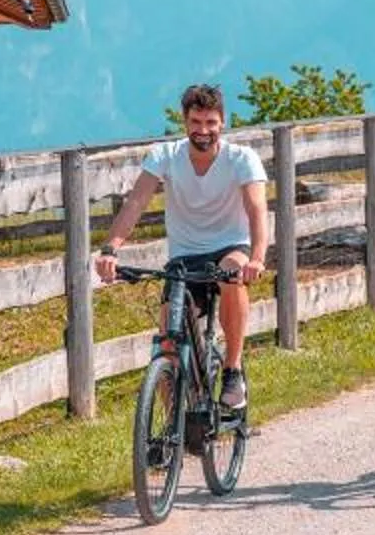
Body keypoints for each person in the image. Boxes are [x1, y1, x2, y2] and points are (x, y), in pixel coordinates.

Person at [94, 81, 271, 413]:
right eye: (195, 122)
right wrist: (110, 249)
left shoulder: (241, 158)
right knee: (167, 344)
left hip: (230, 246)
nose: (203, 130)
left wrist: (258, 258)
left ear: (223, 123)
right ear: (185, 122)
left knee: (232, 275)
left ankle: (233, 369)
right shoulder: (166, 155)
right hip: (185, 256)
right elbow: (136, 203)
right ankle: (172, 428)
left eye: (210, 123)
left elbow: (257, 210)